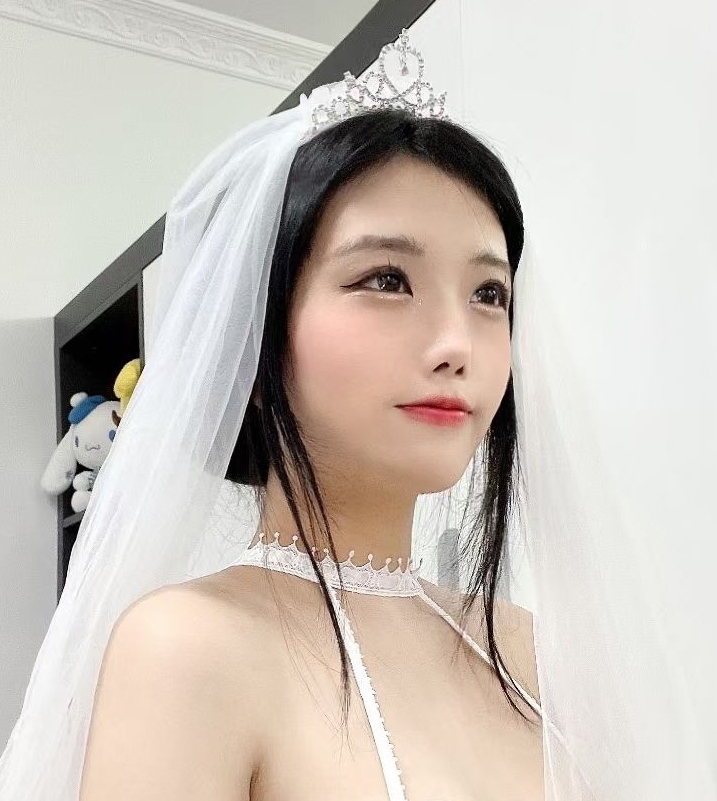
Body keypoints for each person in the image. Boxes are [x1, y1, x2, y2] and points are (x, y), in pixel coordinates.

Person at [2, 27, 716, 801]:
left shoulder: (526, 650)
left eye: (488, 294)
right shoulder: (190, 646)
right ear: (253, 337)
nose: (456, 344)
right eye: (385, 279)